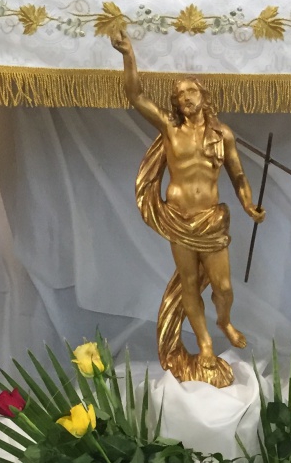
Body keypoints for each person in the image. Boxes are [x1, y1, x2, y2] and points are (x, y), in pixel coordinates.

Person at [111, 29, 264, 386]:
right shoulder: (169, 128)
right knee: (189, 284)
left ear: (203, 96)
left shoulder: (223, 135)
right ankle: (205, 345)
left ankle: (224, 320)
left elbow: (239, 175)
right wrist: (129, 55)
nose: (184, 98)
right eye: (179, 94)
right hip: (178, 218)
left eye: (190, 91)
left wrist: (247, 203)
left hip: (211, 219)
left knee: (223, 287)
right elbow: (135, 96)